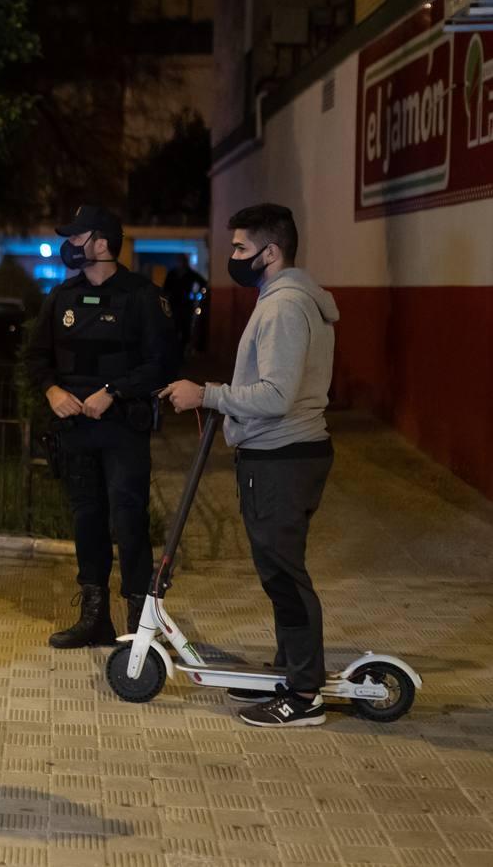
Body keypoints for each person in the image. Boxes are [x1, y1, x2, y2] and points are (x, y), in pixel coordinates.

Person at [161, 203, 338, 728]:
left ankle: (304, 694)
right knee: (279, 571)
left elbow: (278, 394)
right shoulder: (284, 299)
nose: (233, 257)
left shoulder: (284, 307)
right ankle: (290, 671)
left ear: (271, 251)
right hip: (282, 454)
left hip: (281, 455)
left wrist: (208, 394)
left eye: (241, 248)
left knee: (285, 575)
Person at [26, 205, 179, 649]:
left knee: (129, 521)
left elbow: (163, 364)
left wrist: (112, 390)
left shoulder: (143, 297)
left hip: (122, 430)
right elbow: (36, 357)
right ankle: (95, 618)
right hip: (76, 432)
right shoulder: (61, 297)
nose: (69, 245)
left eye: (78, 237)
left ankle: (139, 623)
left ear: (102, 243)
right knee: (86, 519)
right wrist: (53, 391)